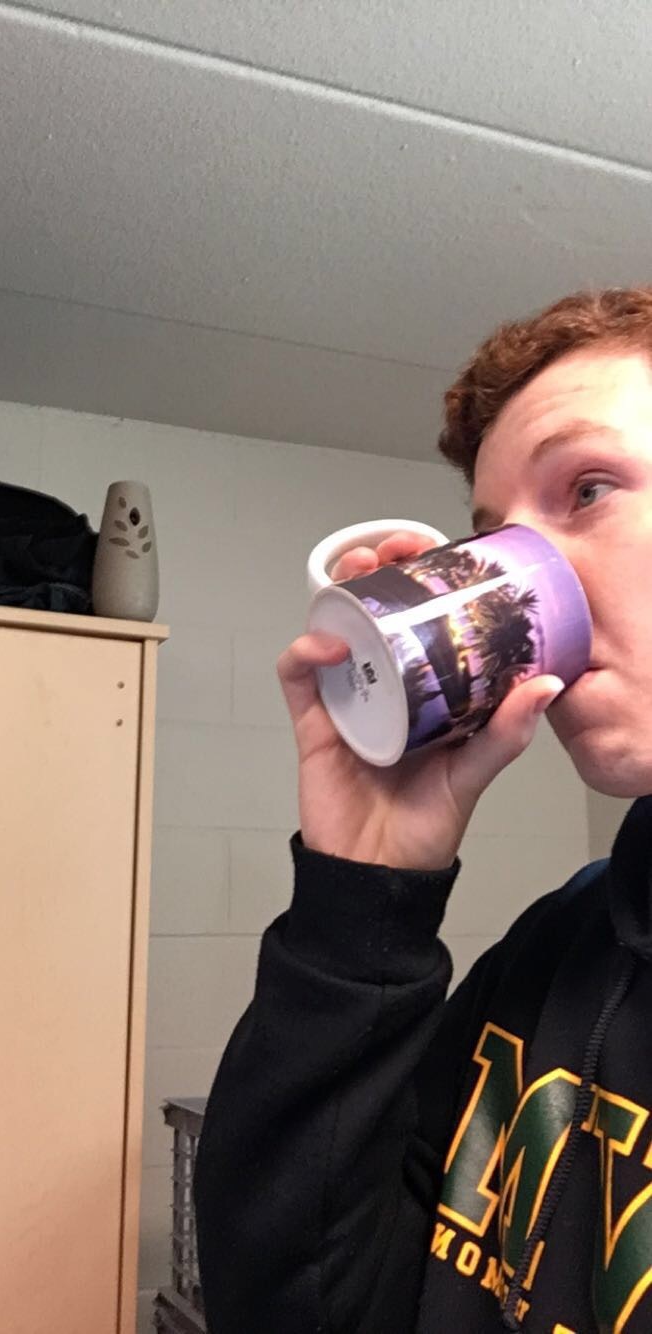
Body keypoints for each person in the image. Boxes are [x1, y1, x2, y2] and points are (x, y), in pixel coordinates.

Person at [193, 287, 652, 1333]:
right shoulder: (553, 956)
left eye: (587, 488)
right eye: (494, 538)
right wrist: (362, 892)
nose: (525, 576)